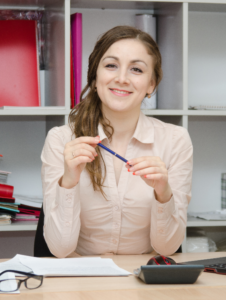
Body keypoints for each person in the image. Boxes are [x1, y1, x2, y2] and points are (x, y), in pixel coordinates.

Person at [40, 26, 193, 258]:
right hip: (82, 282)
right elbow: (60, 249)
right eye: (111, 65)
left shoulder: (175, 141)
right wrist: (69, 180)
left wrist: (164, 193)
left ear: (151, 84)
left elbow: (167, 248)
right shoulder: (61, 139)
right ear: (95, 76)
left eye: (136, 69)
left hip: (145, 282)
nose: (121, 79)